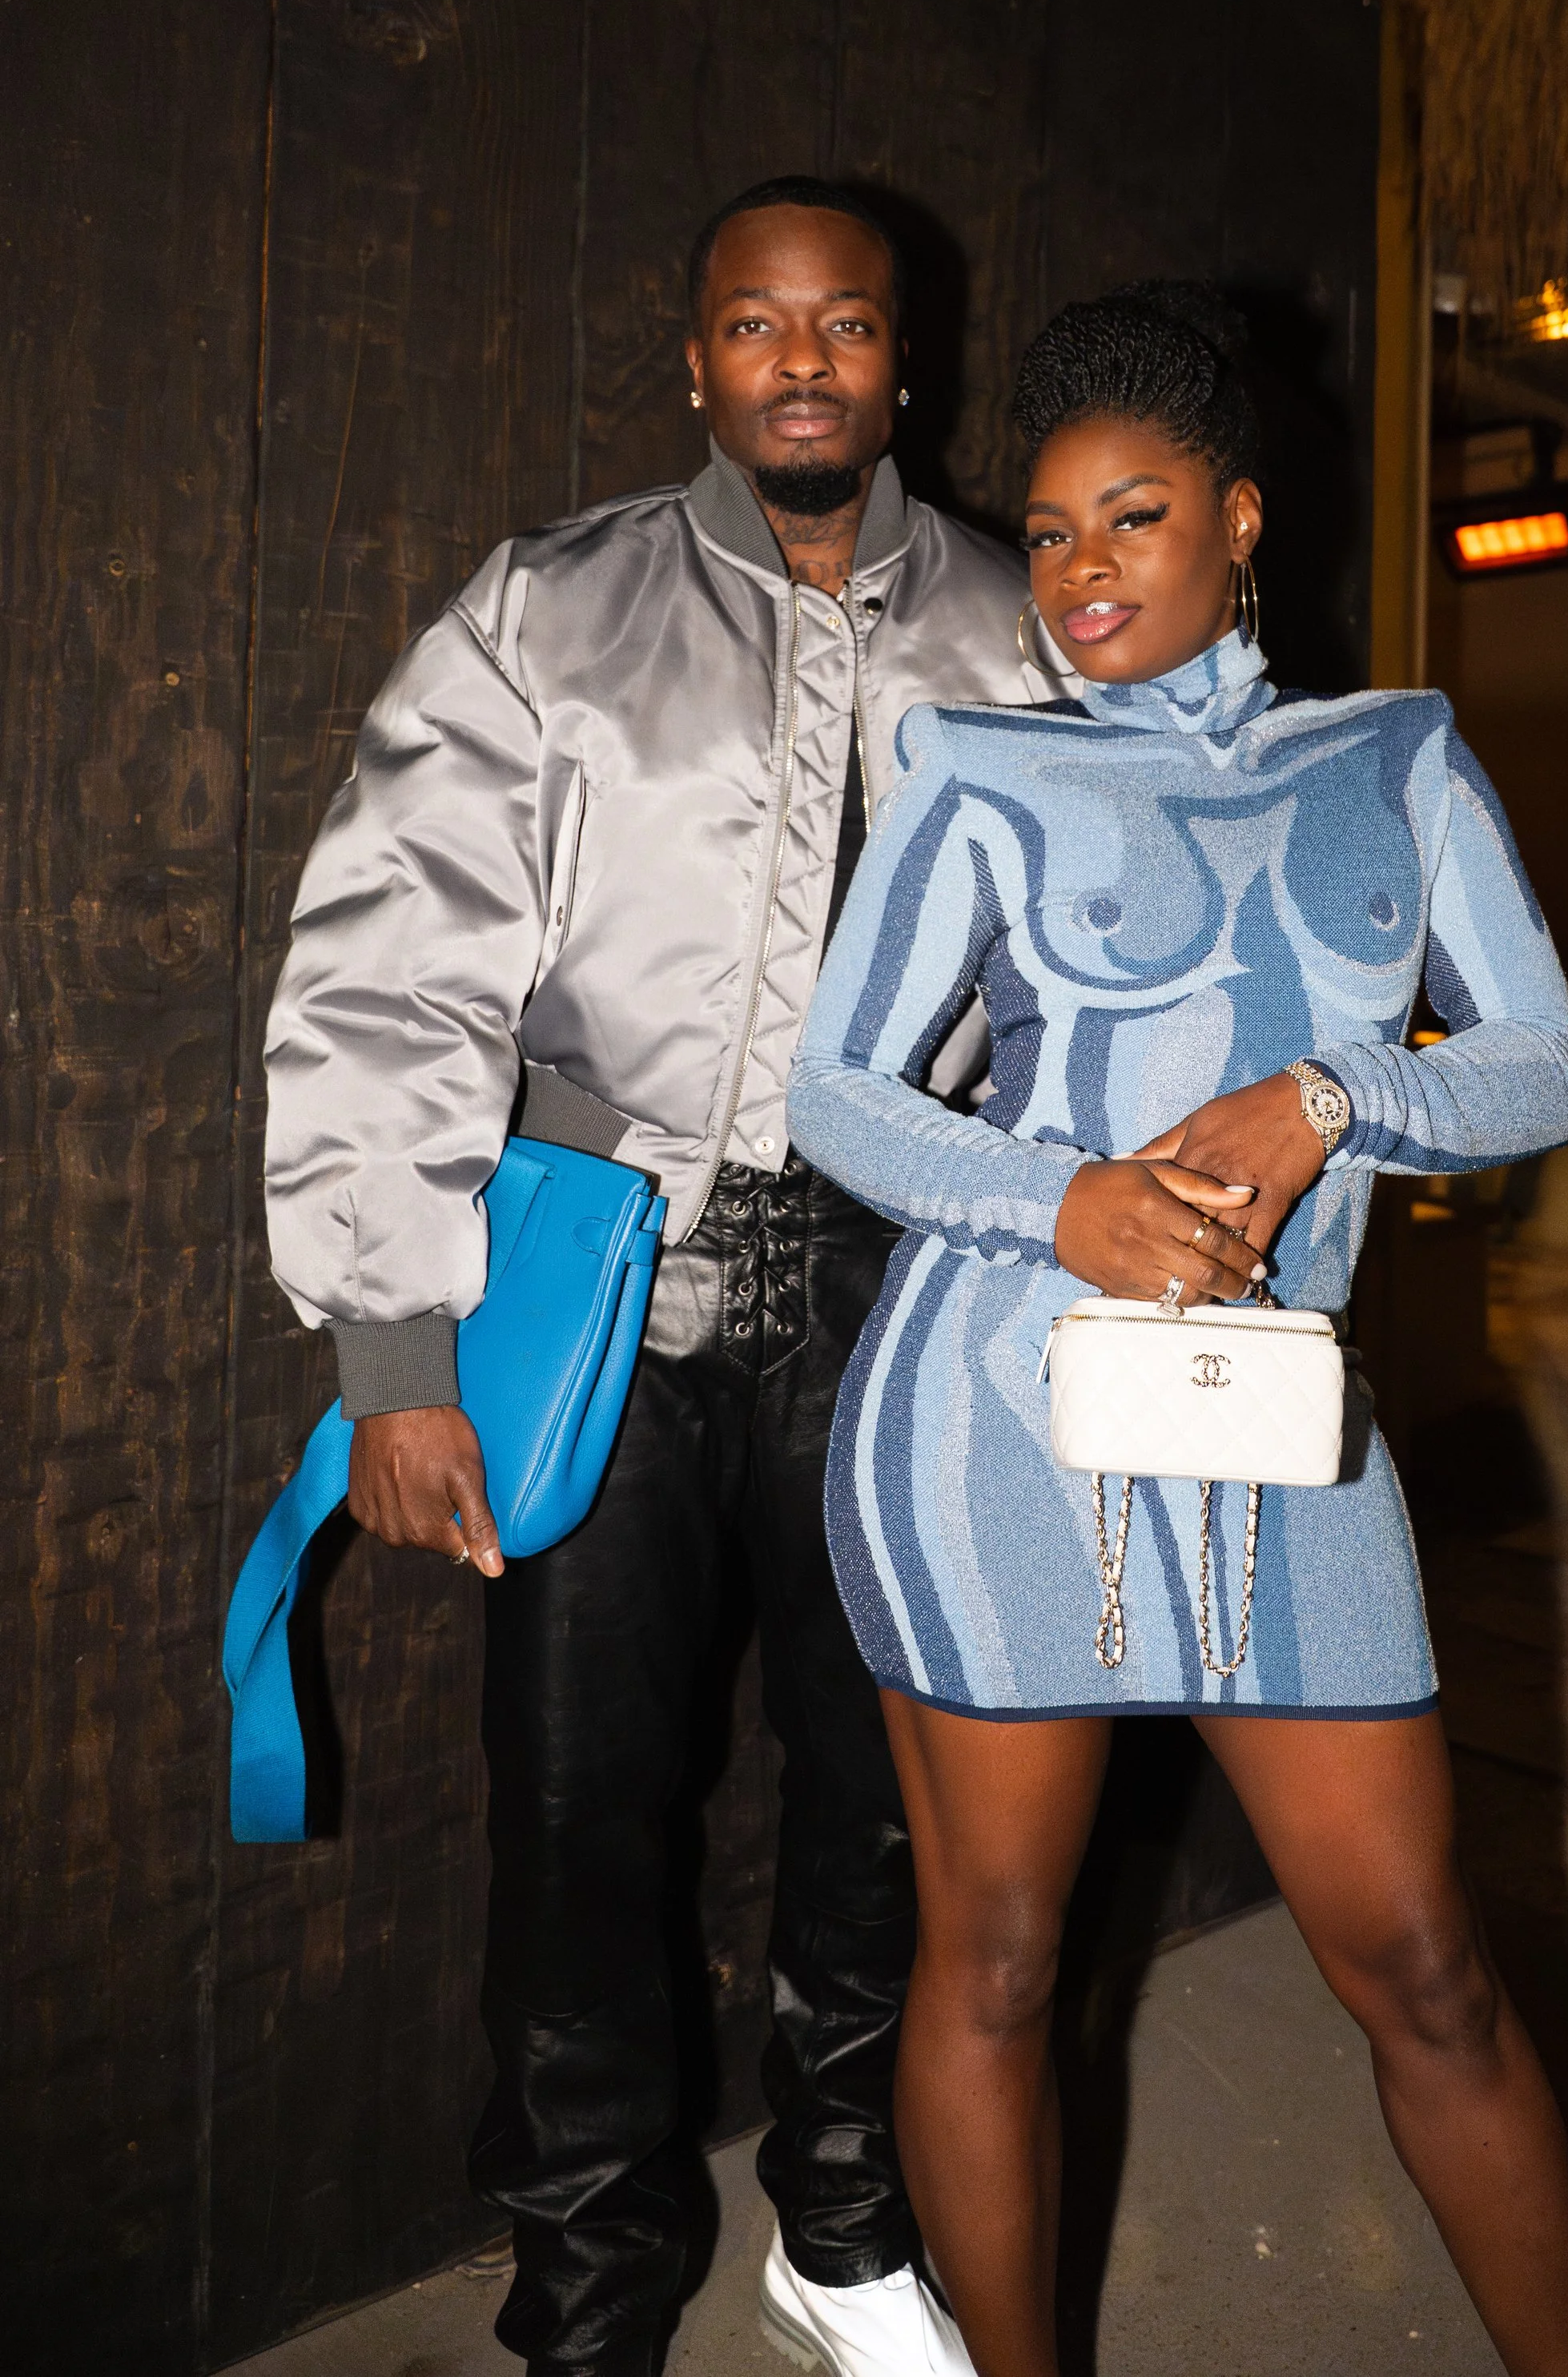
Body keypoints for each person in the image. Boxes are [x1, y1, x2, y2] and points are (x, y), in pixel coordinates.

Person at [263, 177, 1067, 2377]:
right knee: (571, 1818)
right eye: (752, 322)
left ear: (906, 362)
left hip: (908, 1303)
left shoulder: (1019, 626)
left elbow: (1096, 990)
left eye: (844, 325)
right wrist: (392, 1341)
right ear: (694, 356)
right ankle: (588, 2293)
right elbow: (388, 962)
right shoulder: (553, 606)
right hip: (609, 1288)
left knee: (892, 1791)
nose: (799, 360)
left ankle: (839, 2221)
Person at [786, 282, 1568, 2377]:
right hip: (991, 1412)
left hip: (1282, 1426)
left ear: (1239, 520)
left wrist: (1339, 1092)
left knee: (1426, 1963)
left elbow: (1535, 1068)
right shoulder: (974, 767)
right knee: (995, 1955)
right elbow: (838, 1094)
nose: (1076, 576)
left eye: (1128, 519)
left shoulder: (1399, 755)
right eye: (1047, 537)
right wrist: (1054, 1188)